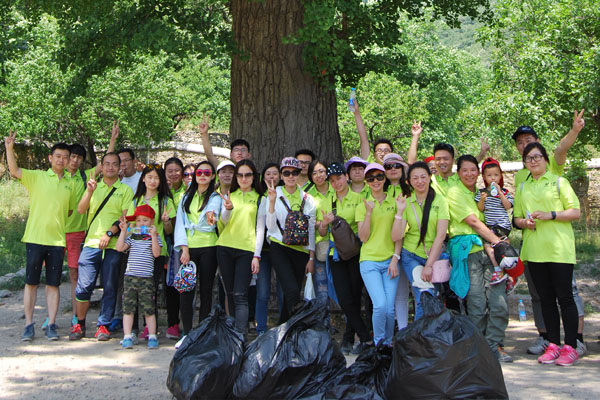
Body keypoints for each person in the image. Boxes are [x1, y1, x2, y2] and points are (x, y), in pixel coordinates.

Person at [511, 111, 588, 357]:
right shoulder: (522, 183)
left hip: (558, 249)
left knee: (565, 296)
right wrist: (525, 222)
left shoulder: (557, 179)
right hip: (533, 250)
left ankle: (574, 344)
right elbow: (516, 218)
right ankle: (551, 343)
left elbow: (575, 211)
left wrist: (551, 215)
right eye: (526, 155)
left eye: (536, 155)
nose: (532, 159)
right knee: (544, 299)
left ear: (543, 157)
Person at [5, 132, 77, 341]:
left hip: (57, 241)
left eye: (65, 157)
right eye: (58, 156)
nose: (61, 160)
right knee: (31, 283)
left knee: (53, 284)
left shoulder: (70, 184)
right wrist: (9, 149)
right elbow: (14, 170)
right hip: (35, 238)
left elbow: (70, 211)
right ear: (50, 158)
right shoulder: (37, 177)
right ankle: (29, 324)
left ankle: (51, 324)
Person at [446, 155, 511, 362]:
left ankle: (495, 344)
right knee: (476, 303)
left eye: (473, 170)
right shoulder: (455, 192)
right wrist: (498, 243)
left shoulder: (484, 193)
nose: (469, 174)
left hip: (491, 249)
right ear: (458, 173)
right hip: (471, 252)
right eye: (465, 170)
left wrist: (499, 240)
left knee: (498, 300)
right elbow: (473, 222)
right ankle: (479, 346)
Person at [70, 152, 134, 341]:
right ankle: (79, 324)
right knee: (83, 286)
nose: (111, 167)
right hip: (91, 244)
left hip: (114, 245)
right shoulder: (92, 187)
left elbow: (126, 218)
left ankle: (103, 325)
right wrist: (89, 191)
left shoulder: (125, 190)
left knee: (110, 286)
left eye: (115, 164)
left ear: (120, 167)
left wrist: (109, 233)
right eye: (107, 164)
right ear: (102, 166)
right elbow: (81, 210)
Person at [318, 162, 371, 354]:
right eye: (332, 181)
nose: (336, 183)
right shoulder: (327, 201)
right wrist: (324, 224)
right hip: (336, 255)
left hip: (356, 253)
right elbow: (322, 231)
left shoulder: (358, 199)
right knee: (344, 297)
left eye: (339, 178)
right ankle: (364, 337)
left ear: (346, 177)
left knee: (355, 296)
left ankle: (349, 338)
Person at [391, 162, 449, 321]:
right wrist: (400, 212)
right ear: (409, 181)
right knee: (423, 295)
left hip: (434, 256)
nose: (420, 181)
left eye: (423, 177)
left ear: (430, 178)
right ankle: (421, 338)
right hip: (411, 255)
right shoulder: (406, 202)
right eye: (415, 178)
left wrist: (429, 265)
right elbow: (396, 236)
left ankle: (427, 336)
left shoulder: (440, 201)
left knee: (432, 297)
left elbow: (440, 235)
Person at [174, 161, 222, 348]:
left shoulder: (215, 197)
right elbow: (180, 223)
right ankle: (187, 332)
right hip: (190, 246)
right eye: (199, 172)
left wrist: (212, 217)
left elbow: (213, 214)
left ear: (212, 176)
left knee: (206, 290)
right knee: (187, 289)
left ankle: (202, 332)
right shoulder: (186, 196)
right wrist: (184, 248)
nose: (202, 175)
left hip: (209, 245)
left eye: (206, 172)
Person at [265, 157, 316, 323]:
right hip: (280, 246)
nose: (291, 176)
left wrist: (311, 257)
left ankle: (284, 327)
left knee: (292, 293)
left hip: (300, 250)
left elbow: (311, 229)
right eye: (286, 173)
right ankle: (295, 326)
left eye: (295, 172)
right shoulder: (274, 193)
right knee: (292, 290)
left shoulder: (308, 199)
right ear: (281, 175)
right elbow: (270, 226)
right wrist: (272, 202)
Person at [128, 164, 176, 340]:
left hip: (156, 249)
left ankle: (150, 328)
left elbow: (169, 231)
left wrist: (166, 222)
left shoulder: (166, 201)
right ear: (143, 179)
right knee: (132, 288)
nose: (153, 181)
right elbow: (130, 225)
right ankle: (132, 328)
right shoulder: (135, 200)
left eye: (156, 178)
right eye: (150, 177)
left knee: (151, 289)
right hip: (136, 250)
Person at [355, 163, 401, 347]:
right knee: (380, 305)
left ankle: (388, 344)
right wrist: (368, 213)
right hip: (369, 261)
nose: (375, 181)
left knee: (389, 310)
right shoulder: (363, 204)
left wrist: (395, 259)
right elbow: (363, 237)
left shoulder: (395, 201)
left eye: (379, 177)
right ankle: (378, 343)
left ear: (385, 179)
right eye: (371, 178)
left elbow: (399, 235)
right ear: (366, 182)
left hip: (390, 260)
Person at [217, 160, 263, 333]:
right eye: (240, 175)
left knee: (240, 294)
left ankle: (241, 335)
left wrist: (256, 256)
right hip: (224, 247)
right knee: (229, 293)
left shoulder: (260, 199)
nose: (244, 178)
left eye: (248, 175)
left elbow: (260, 229)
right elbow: (222, 225)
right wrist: (227, 209)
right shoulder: (230, 195)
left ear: (253, 176)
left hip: (247, 250)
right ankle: (232, 335)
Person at [115, 204, 162, 349]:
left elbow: (157, 253)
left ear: (152, 222)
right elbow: (119, 248)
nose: (142, 223)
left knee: (148, 309)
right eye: (139, 220)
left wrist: (153, 236)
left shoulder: (155, 237)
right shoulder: (132, 237)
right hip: (130, 277)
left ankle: (152, 336)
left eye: (146, 220)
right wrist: (123, 232)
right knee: (128, 309)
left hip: (146, 278)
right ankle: (127, 336)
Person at [253, 162, 284, 335]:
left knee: (282, 291)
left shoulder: (285, 194)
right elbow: (259, 226)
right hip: (263, 251)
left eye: (275, 174)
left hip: (281, 249)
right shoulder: (259, 196)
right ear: (262, 177)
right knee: (262, 292)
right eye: (268, 174)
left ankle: (282, 328)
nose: (271, 177)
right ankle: (261, 329)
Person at [474, 158, 514, 286]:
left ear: (501, 175)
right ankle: (499, 270)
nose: (493, 178)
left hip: (502, 224)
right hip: (490, 225)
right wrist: (482, 200)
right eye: (489, 175)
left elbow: (508, 206)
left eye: (496, 175)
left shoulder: (505, 192)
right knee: (488, 246)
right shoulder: (481, 193)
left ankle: (508, 273)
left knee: (502, 247)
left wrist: (500, 193)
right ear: (484, 177)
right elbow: (481, 208)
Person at [162, 157, 186, 339]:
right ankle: (172, 323)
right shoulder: (161, 193)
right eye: (169, 170)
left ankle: (186, 322)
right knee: (169, 284)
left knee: (185, 283)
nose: (173, 173)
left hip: (184, 242)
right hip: (166, 243)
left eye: (177, 170)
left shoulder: (188, 192)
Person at [306, 159, 333, 304]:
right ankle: (324, 323)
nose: (319, 175)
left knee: (343, 287)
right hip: (318, 246)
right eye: (314, 173)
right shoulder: (308, 195)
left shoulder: (336, 189)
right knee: (322, 289)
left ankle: (349, 325)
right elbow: (307, 222)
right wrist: (322, 223)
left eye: (321, 171)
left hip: (340, 245)